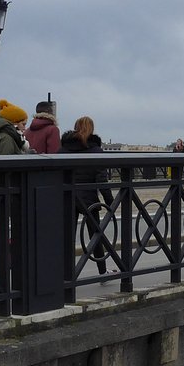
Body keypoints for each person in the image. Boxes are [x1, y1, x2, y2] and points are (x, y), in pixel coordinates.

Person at [60, 116, 111, 275]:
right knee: (95, 235)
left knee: (67, 237)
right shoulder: (96, 151)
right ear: (92, 130)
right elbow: (101, 178)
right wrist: (111, 201)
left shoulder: (63, 150)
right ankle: (102, 271)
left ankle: (67, 274)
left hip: (67, 196)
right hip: (89, 199)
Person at [0, 99, 29, 276]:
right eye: (23, 124)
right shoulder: (7, 139)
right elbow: (6, 168)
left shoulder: (3, 136)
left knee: (0, 231)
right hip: (2, 191)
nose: (25, 128)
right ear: (15, 123)